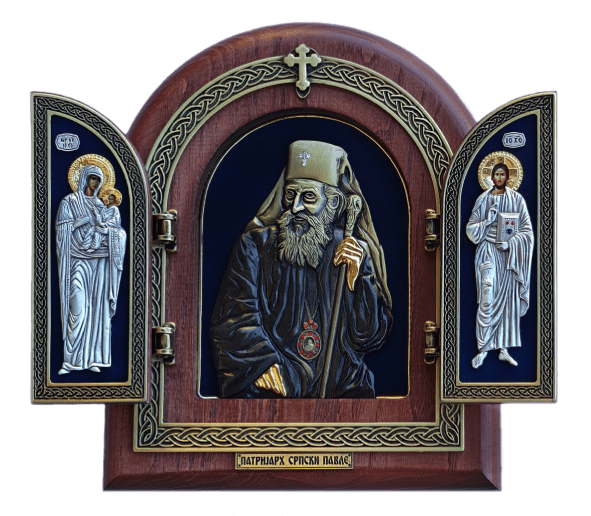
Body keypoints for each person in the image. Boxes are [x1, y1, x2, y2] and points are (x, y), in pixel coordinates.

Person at [210, 141, 393, 398]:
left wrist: (358, 282)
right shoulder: (254, 245)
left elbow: (369, 338)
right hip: (275, 389)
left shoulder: (350, 250)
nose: (295, 207)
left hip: (341, 392)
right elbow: (234, 317)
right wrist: (263, 363)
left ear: (332, 203)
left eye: (308, 197)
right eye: (290, 195)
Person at [55, 165, 126, 374]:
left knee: (97, 310)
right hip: (77, 260)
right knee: (77, 309)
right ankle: (70, 361)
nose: (95, 183)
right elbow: (61, 232)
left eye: (98, 180)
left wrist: (113, 234)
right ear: (83, 178)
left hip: (99, 262)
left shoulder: (101, 205)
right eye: (92, 178)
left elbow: (114, 229)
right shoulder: (69, 202)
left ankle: (93, 358)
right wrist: (79, 222)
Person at [466, 163, 534, 369]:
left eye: (503, 174)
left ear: (507, 177)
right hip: (487, 250)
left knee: (508, 301)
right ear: (491, 177)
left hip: (508, 256)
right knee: (487, 295)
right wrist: (487, 221)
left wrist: (510, 244)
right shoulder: (483, 199)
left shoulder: (517, 200)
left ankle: (503, 349)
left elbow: (527, 233)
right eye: (496, 174)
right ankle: (483, 349)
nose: (499, 177)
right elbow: (470, 229)